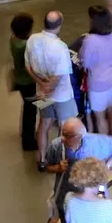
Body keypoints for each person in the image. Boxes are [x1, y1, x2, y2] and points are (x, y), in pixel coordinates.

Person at [25, 10, 77, 171]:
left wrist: (41, 83)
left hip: (42, 92)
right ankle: (61, 160)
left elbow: (28, 66)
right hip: (61, 95)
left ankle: (42, 160)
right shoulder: (60, 47)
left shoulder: (32, 39)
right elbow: (59, 75)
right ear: (59, 25)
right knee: (65, 127)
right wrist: (48, 87)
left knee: (44, 124)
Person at [79, 5, 112, 137]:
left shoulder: (90, 40)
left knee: (100, 117)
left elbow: (86, 63)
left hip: (99, 83)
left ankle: (104, 145)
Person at [7, 13, 37, 152]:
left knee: (27, 108)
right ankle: (28, 141)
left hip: (20, 79)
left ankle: (25, 133)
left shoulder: (13, 40)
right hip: (28, 81)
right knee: (30, 111)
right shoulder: (25, 46)